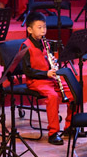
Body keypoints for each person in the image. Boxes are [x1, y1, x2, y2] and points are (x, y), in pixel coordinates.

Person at [22, 12, 74, 145]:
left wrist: (53, 65)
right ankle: (53, 133)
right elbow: (27, 71)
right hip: (36, 81)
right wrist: (46, 73)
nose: (43, 30)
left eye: (44, 27)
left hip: (50, 79)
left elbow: (48, 61)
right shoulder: (25, 46)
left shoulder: (46, 44)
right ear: (29, 29)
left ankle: (70, 126)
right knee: (52, 97)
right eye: (39, 27)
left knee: (73, 92)